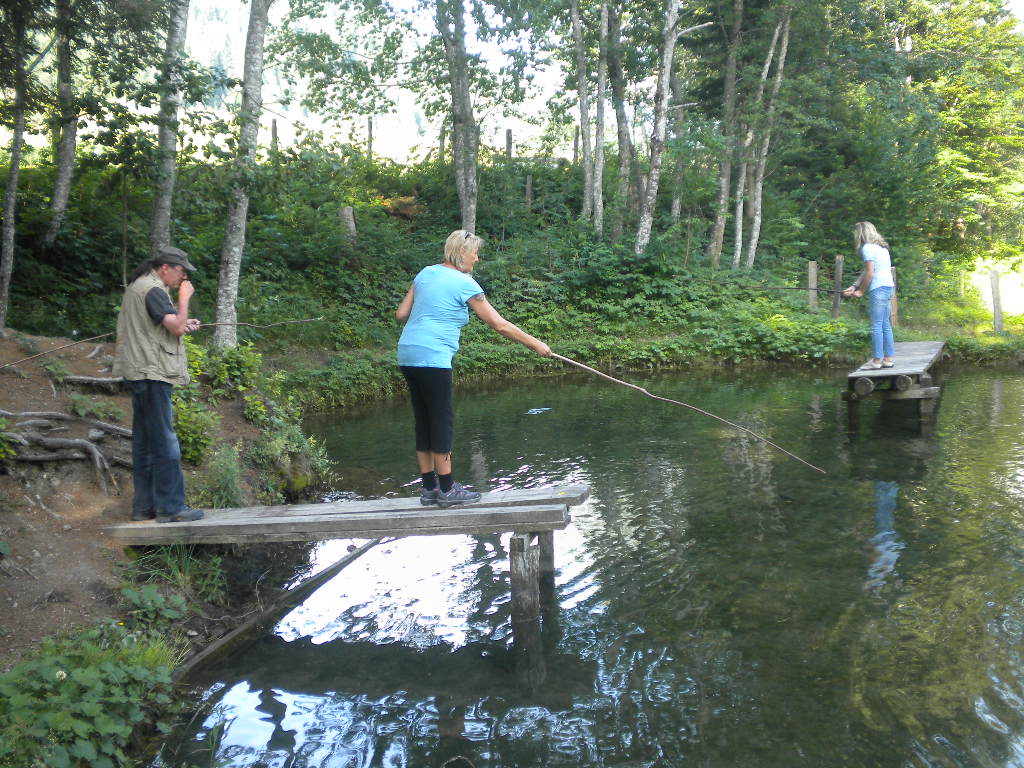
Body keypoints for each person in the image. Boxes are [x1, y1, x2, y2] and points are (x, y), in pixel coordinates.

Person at [396, 229, 551, 507]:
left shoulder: (425, 273)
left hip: (408, 352)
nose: (477, 259)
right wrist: (536, 344)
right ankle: (447, 489)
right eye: (474, 253)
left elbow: (401, 314)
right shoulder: (464, 282)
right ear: (460, 253)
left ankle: (429, 488)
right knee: (441, 420)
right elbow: (498, 324)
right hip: (433, 356)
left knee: (424, 419)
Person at [113, 246, 204, 523]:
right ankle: (171, 508)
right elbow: (174, 328)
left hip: (139, 371)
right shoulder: (153, 289)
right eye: (181, 271)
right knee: (165, 441)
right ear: (165, 267)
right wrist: (184, 300)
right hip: (152, 374)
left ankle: (144, 507)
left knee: (145, 441)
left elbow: (160, 327)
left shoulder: (139, 286)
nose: (183, 277)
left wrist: (182, 323)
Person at [842, 221, 896, 370]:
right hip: (888, 287)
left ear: (860, 233)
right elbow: (866, 271)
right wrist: (854, 286)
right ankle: (888, 359)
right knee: (885, 324)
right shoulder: (882, 248)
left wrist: (861, 291)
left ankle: (877, 361)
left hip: (878, 289)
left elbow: (871, 273)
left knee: (877, 325)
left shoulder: (867, 248)